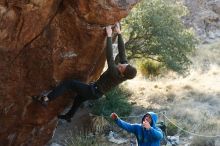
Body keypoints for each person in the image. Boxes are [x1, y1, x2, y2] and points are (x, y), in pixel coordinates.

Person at [33, 23, 137, 122]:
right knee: (78, 99)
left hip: (93, 91)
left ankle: (46, 99)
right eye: (124, 64)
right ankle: (68, 116)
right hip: (95, 92)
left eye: (123, 67)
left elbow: (109, 57)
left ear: (122, 73)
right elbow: (122, 51)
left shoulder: (115, 74)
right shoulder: (125, 71)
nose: (122, 64)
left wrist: (109, 36)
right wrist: (119, 33)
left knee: (69, 83)